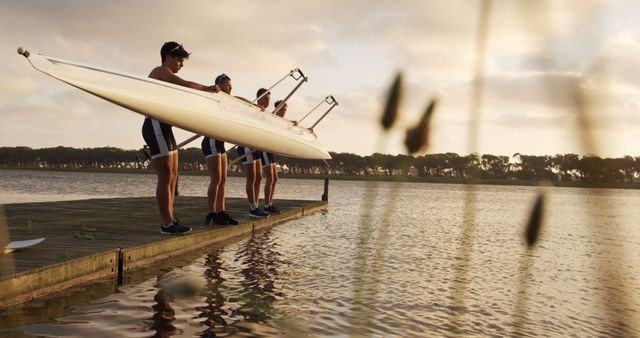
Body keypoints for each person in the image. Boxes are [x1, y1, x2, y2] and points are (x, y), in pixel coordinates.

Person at [142, 41, 219, 235]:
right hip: (155, 126)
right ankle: (166, 223)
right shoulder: (160, 71)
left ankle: (170, 219)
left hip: (165, 127)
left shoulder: (167, 77)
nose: (181, 65)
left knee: (173, 176)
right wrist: (207, 88)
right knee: (165, 176)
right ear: (168, 57)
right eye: (179, 60)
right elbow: (185, 85)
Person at [202, 74, 238, 226]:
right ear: (219, 84)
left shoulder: (227, 99)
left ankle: (221, 211)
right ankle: (211, 213)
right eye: (228, 85)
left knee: (223, 179)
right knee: (216, 179)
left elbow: (240, 100)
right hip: (211, 140)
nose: (230, 88)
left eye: (231, 85)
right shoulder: (213, 95)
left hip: (220, 142)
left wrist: (256, 107)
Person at [236, 88, 271, 218]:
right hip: (246, 145)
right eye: (266, 99)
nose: (268, 101)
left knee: (259, 177)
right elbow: (236, 98)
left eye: (269, 99)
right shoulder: (251, 107)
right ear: (259, 98)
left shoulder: (264, 112)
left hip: (256, 146)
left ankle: (256, 205)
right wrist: (254, 105)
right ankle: (252, 208)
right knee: (251, 178)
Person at [259, 99, 288, 214]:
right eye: (282, 109)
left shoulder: (280, 120)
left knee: (275, 178)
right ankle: (266, 205)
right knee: (270, 178)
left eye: (285, 110)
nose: (284, 112)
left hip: (271, 150)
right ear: (277, 109)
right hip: (265, 149)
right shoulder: (271, 117)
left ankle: (270, 203)